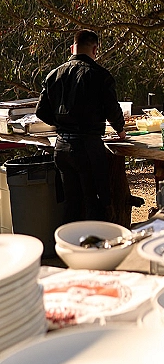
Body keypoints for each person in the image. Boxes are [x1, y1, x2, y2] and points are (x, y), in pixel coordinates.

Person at [36, 29, 126, 222]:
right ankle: (94, 248)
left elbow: (41, 111)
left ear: (72, 48)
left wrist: (62, 124)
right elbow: (112, 108)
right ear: (95, 49)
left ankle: (68, 247)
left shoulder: (54, 75)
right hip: (87, 147)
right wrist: (121, 130)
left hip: (61, 147)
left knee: (71, 204)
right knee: (94, 203)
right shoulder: (99, 75)